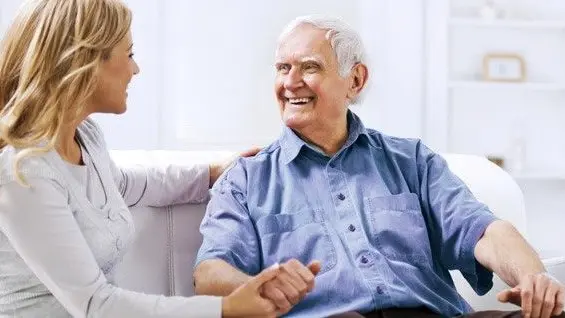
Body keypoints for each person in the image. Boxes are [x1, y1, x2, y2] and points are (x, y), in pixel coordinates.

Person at [193, 15, 565, 318]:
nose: (290, 82)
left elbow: (484, 232)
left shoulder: (412, 161)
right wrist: (263, 287)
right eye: (282, 68)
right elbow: (209, 273)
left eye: (309, 67)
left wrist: (536, 278)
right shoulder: (246, 179)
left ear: (355, 80)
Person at [0, 0, 284, 317]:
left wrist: (212, 172)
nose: (136, 69)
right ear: (86, 60)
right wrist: (226, 307)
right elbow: (97, 306)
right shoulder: (23, 173)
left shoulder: (85, 137)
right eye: (130, 54)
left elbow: (126, 184)